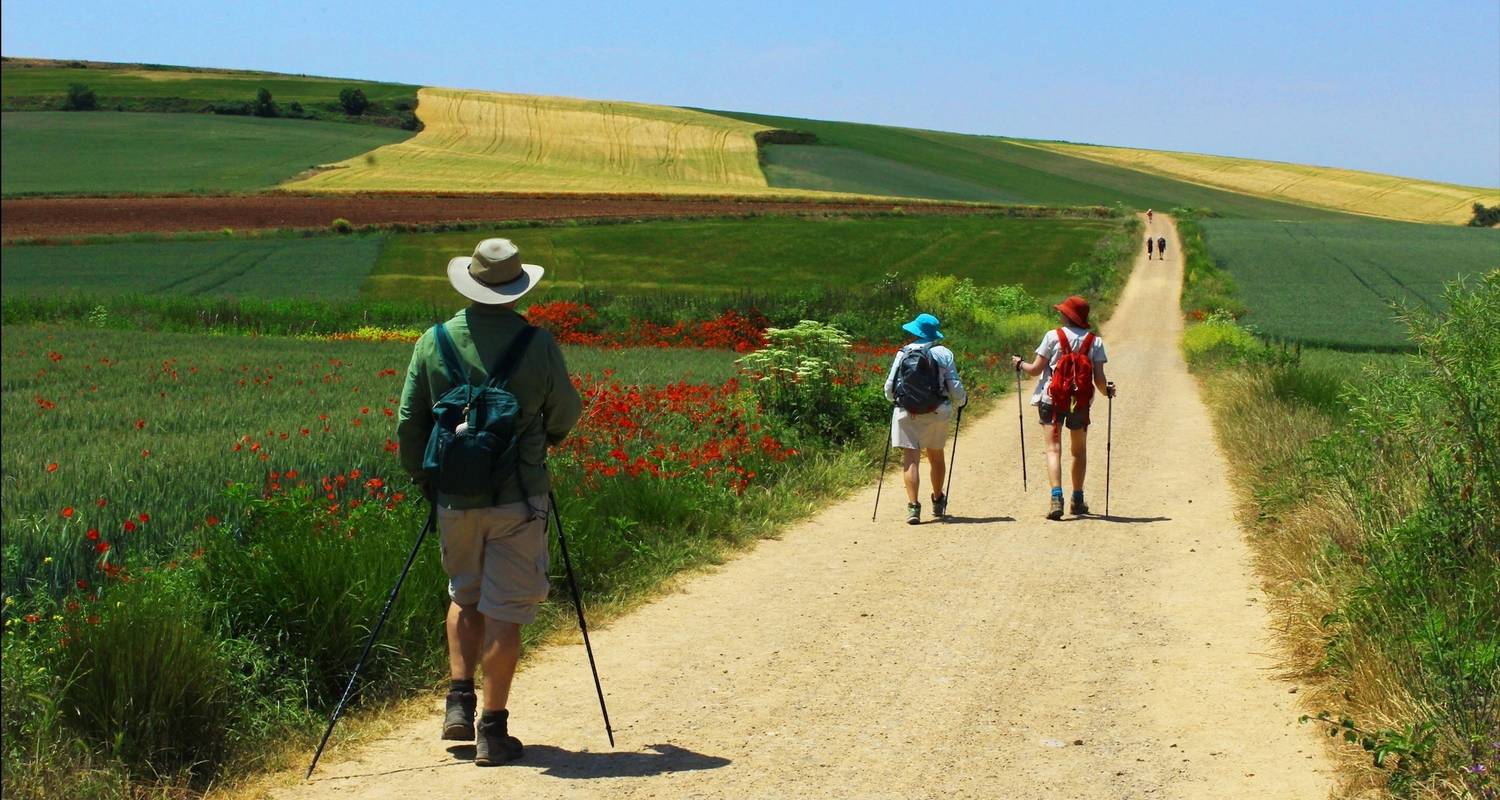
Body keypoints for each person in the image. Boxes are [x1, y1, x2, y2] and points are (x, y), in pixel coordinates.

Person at [397, 238, 582, 766]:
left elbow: (410, 423)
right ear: (515, 287)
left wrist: (427, 480)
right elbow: (565, 411)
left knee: (464, 593)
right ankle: (492, 731)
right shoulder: (537, 343)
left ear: (470, 284)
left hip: (455, 498)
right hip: (518, 498)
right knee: (506, 610)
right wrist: (543, 443)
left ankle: (458, 700)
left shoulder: (432, 342)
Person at [1012, 296, 1116, 520]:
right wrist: (1108, 391)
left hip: (1052, 399)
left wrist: (1019, 364)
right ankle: (1077, 499)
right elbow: (1099, 380)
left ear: (1067, 316)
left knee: (1053, 450)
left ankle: (1056, 498)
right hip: (1080, 402)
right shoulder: (1094, 342)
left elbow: (1035, 369)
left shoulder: (1052, 336)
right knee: (1079, 452)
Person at [884, 313, 967, 525]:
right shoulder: (943, 352)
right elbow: (954, 384)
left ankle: (913, 507)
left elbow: (889, 388)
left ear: (916, 331)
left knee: (911, 458)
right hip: (937, 411)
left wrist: (898, 400)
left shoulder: (903, 353)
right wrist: (961, 401)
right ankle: (938, 499)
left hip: (906, 411)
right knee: (936, 456)